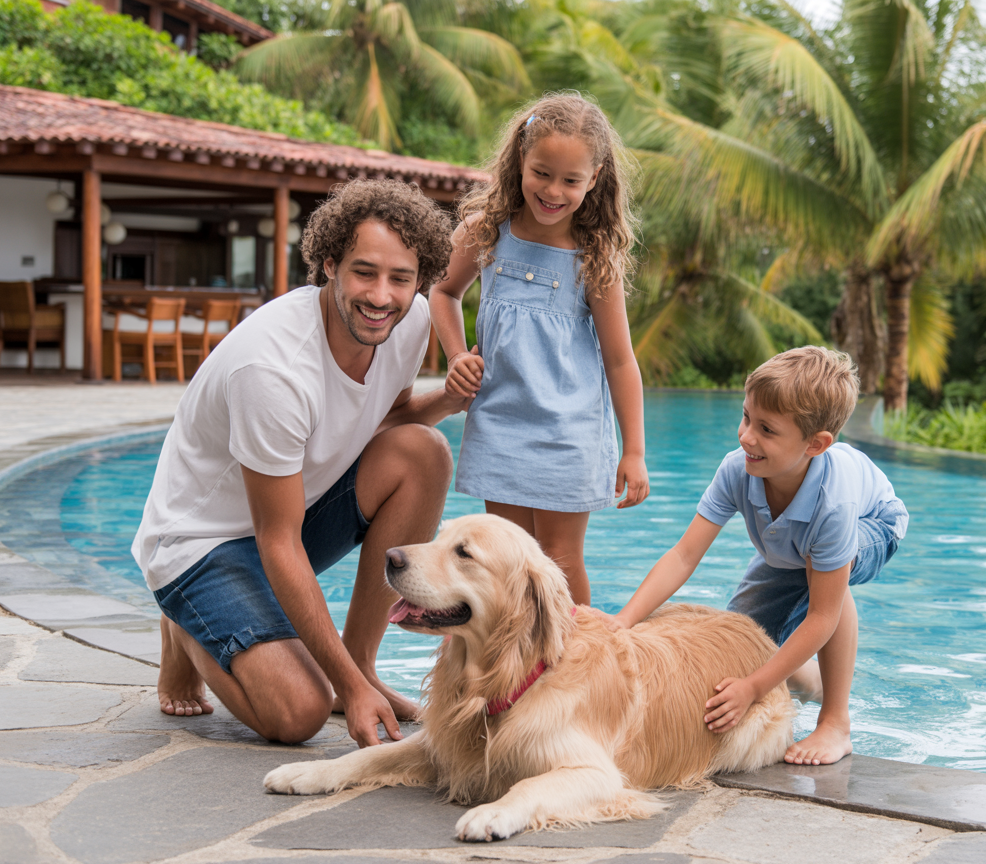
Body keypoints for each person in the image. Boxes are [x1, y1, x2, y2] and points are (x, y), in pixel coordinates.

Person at [132, 179, 469, 748]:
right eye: (364, 272)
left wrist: (450, 400)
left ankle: (363, 666)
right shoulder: (273, 371)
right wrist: (338, 687)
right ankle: (186, 627)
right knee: (299, 714)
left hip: (287, 515)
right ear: (330, 265)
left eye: (401, 279)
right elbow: (279, 542)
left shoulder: (408, 322)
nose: (381, 295)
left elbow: (382, 421)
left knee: (424, 452)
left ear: (421, 280)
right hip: (201, 545)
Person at [597, 347, 908, 766]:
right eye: (746, 417)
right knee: (741, 636)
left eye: (766, 429)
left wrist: (754, 689)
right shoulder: (738, 468)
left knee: (829, 585)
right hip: (791, 550)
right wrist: (621, 621)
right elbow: (684, 555)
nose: (746, 436)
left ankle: (836, 721)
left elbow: (822, 615)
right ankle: (803, 675)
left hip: (874, 525)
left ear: (815, 445)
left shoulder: (833, 504)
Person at [429, 93, 649, 606]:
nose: (553, 191)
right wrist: (457, 355)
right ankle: (511, 677)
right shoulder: (485, 231)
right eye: (541, 173)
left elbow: (620, 359)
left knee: (559, 559)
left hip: (568, 434)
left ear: (594, 179)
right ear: (519, 163)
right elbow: (442, 292)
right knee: (503, 560)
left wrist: (634, 450)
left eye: (571, 180)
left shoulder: (594, 257)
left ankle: (581, 671)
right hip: (501, 421)